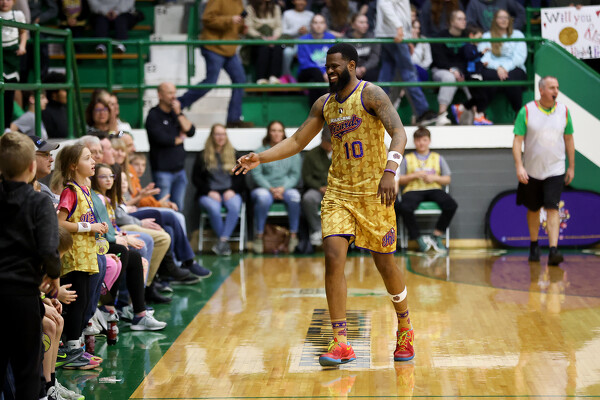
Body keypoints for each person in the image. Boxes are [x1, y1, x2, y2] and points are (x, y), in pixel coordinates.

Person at [234, 43, 415, 366]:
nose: (329, 71)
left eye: (335, 66)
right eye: (327, 67)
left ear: (351, 65)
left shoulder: (372, 94)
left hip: (374, 191)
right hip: (338, 193)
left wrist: (391, 170)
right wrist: (260, 157)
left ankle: (404, 326)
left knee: (385, 264)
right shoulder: (324, 104)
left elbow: (399, 133)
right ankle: (341, 342)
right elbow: (296, 141)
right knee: (332, 257)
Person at [0, 131, 61, 399]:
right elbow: (48, 249)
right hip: (22, 295)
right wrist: (54, 273)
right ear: (31, 166)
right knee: (27, 371)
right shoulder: (38, 201)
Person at [512, 76, 575, 266]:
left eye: (557, 87)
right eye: (551, 87)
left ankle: (554, 250)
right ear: (541, 90)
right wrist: (519, 166)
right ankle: (534, 244)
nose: (556, 91)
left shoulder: (564, 111)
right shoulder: (526, 111)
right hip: (531, 170)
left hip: (556, 169)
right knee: (533, 209)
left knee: (552, 207)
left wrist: (571, 166)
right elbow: (517, 141)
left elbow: (569, 139)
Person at [177, 0, 254, 128]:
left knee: (240, 80)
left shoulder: (239, 2)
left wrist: (242, 28)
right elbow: (207, 18)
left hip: (229, 48)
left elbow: (236, 23)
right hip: (213, 46)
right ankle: (178, 104)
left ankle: (233, 119)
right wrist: (230, 19)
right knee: (210, 82)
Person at [375, 0, 438, 125]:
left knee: (387, 72)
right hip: (395, 34)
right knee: (408, 72)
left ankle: (374, 109)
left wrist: (406, 36)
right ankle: (422, 111)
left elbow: (398, 9)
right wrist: (398, 27)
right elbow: (384, 4)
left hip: (392, 33)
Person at [395, 126, 457, 253]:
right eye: (418, 140)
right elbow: (399, 179)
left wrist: (435, 178)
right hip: (413, 190)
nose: (421, 143)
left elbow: (447, 179)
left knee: (451, 205)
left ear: (429, 141)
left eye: (424, 140)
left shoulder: (438, 157)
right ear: (414, 142)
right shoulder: (407, 158)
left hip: (433, 188)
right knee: (404, 207)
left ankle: (437, 235)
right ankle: (418, 239)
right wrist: (414, 175)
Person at [192, 123, 246, 256]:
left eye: (223, 134)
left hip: (230, 192)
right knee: (213, 208)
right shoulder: (203, 155)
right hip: (209, 193)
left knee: (235, 206)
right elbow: (196, 178)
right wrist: (209, 191)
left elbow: (241, 178)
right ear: (212, 136)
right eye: (217, 134)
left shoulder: (234, 154)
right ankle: (224, 243)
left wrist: (232, 190)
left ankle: (222, 241)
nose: (220, 137)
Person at [250, 120, 301, 254]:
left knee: (295, 197)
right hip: (265, 189)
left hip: (286, 188)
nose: (276, 134)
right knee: (263, 198)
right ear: (269, 133)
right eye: (273, 130)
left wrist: (283, 188)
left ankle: (293, 236)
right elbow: (257, 174)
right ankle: (259, 236)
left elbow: (294, 175)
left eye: (279, 131)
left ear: (283, 133)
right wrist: (270, 188)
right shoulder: (260, 152)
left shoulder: (292, 152)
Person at [145, 82, 196, 211]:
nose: (173, 96)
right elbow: (161, 139)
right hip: (162, 172)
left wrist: (178, 113)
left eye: (174, 93)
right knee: (164, 208)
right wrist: (179, 139)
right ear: (160, 95)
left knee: (179, 207)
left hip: (180, 170)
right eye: (169, 93)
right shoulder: (153, 115)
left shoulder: (176, 113)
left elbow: (190, 131)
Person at [473, 9, 527, 124]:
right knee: (489, 77)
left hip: (514, 67)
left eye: (506, 17)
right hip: (493, 68)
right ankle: (481, 113)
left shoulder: (518, 35)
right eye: (500, 17)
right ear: (495, 20)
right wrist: (498, 67)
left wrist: (504, 68)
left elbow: (519, 57)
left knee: (513, 78)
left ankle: (518, 114)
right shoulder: (487, 36)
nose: (504, 20)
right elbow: (484, 56)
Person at [430, 10, 471, 126]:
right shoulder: (440, 36)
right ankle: (441, 115)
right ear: (452, 22)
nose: (464, 21)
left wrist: (461, 72)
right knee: (449, 78)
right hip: (441, 70)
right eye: (460, 19)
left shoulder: (467, 36)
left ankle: (477, 114)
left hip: (461, 71)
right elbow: (439, 60)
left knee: (474, 78)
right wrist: (453, 70)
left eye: (464, 19)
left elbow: (468, 58)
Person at [301, 128, 332, 246]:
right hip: (318, 189)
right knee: (308, 198)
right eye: (328, 142)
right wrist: (319, 187)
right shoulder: (311, 155)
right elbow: (307, 176)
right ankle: (317, 230)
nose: (330, 146)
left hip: (337, 189)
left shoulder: (342, 154)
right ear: (322, 139)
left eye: (332, 143)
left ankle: (345, 233)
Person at [296, 14, 335, 106]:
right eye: (315, 23)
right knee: (315, 72)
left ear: (325, 25)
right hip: (306, 73)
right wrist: (323, 72)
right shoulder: (302, 40)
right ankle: (327, 104)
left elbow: (335, 59)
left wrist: (327, 72)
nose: (318, 25)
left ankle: (316, 111)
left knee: (314, 82)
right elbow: (305, 63)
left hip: (324, 74)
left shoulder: (331, 38)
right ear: (311, 25)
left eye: (321, 23)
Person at [1, 0, 27, 128]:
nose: (4, 2)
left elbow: (23, 32)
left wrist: (22, 46)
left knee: (10, 91)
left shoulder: (18, 15)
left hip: (12, 55)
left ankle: (6, 127)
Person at [245, 0, 284, 85]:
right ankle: (261, 78)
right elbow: (249, 28)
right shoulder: (250, 8)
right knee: (264, 48)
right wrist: (262, 38)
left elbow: (278, 26)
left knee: (278, 47)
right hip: (257, 39)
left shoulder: (276, 8)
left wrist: (274, 37)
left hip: (273, 38)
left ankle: (274, 77)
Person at [280, 0, 313, 77]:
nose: (300, 2)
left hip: (307, 43)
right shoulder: (287, 13)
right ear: (293, 1)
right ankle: (286, 76)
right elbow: (283, 31)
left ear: (306, 2)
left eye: (303, 0)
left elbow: (314, 31)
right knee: (287, 53)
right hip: (291, 43)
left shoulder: (310, 14)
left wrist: (307, 31)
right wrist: (297, 31)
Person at [346, 13, 381, 82]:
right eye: (361, 22)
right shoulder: (345, 40)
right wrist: (354, 69)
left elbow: (375, 57)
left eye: (366, 22)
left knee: (373, 72)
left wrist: (364, 68)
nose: (365, 25)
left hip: (368, 70)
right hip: (350, 69)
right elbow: (343, 59)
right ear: (353, 25)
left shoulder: (373, 38)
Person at [28, 135, 60, 204]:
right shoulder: (22, 191)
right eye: (46, 155)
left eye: (50, 154)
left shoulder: (42, 187)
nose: (52, 160)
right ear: (29, 157)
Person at [42, 72, 68, 138]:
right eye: (64, 90)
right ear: (53, 94)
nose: (68, 93)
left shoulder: (65, 108)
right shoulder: (45, 112)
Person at [409, 19, 432, 83]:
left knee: (414, 68)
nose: (417, 30)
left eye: (418, 28)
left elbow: (429, 60)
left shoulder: (424, 40)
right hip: (408, 71)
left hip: (422, 70)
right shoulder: (404, 40)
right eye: (414, 28)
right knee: (411, 75)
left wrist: (418, 66)